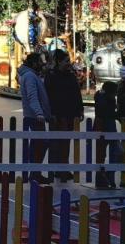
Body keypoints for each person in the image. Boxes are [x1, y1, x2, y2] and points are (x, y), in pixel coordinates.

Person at [45, 49, 83, 182]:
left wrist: (80, 110)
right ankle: (54, 169)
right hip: (57, 115)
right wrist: (51, 113)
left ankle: (63, 168)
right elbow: (48, 96)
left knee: (66, 143)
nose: (68, 63)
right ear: (58, 62)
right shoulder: (51, 76)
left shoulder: (71, 76)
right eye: (66, 61)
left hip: (69, 115)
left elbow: (77, 94)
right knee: (55, 143)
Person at [18, 52, 52, 182]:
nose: (42, 64)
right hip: (34, 116)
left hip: (34, 115)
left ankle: (35, 171)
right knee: (40, 144)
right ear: (33, 63)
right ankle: (35, 172)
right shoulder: (30, 76)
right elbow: (33, 96)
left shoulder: (30, 75)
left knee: (38, 144)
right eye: (39, 62)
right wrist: (39, 112)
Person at [93, 81, 120, 188]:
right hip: (108, 127)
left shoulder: (99, 97)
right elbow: (109, 114)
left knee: (101, 155)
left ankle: (102, 179)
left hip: (101, 127)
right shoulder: (109, 99)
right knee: (113, 153)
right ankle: (109, 178)